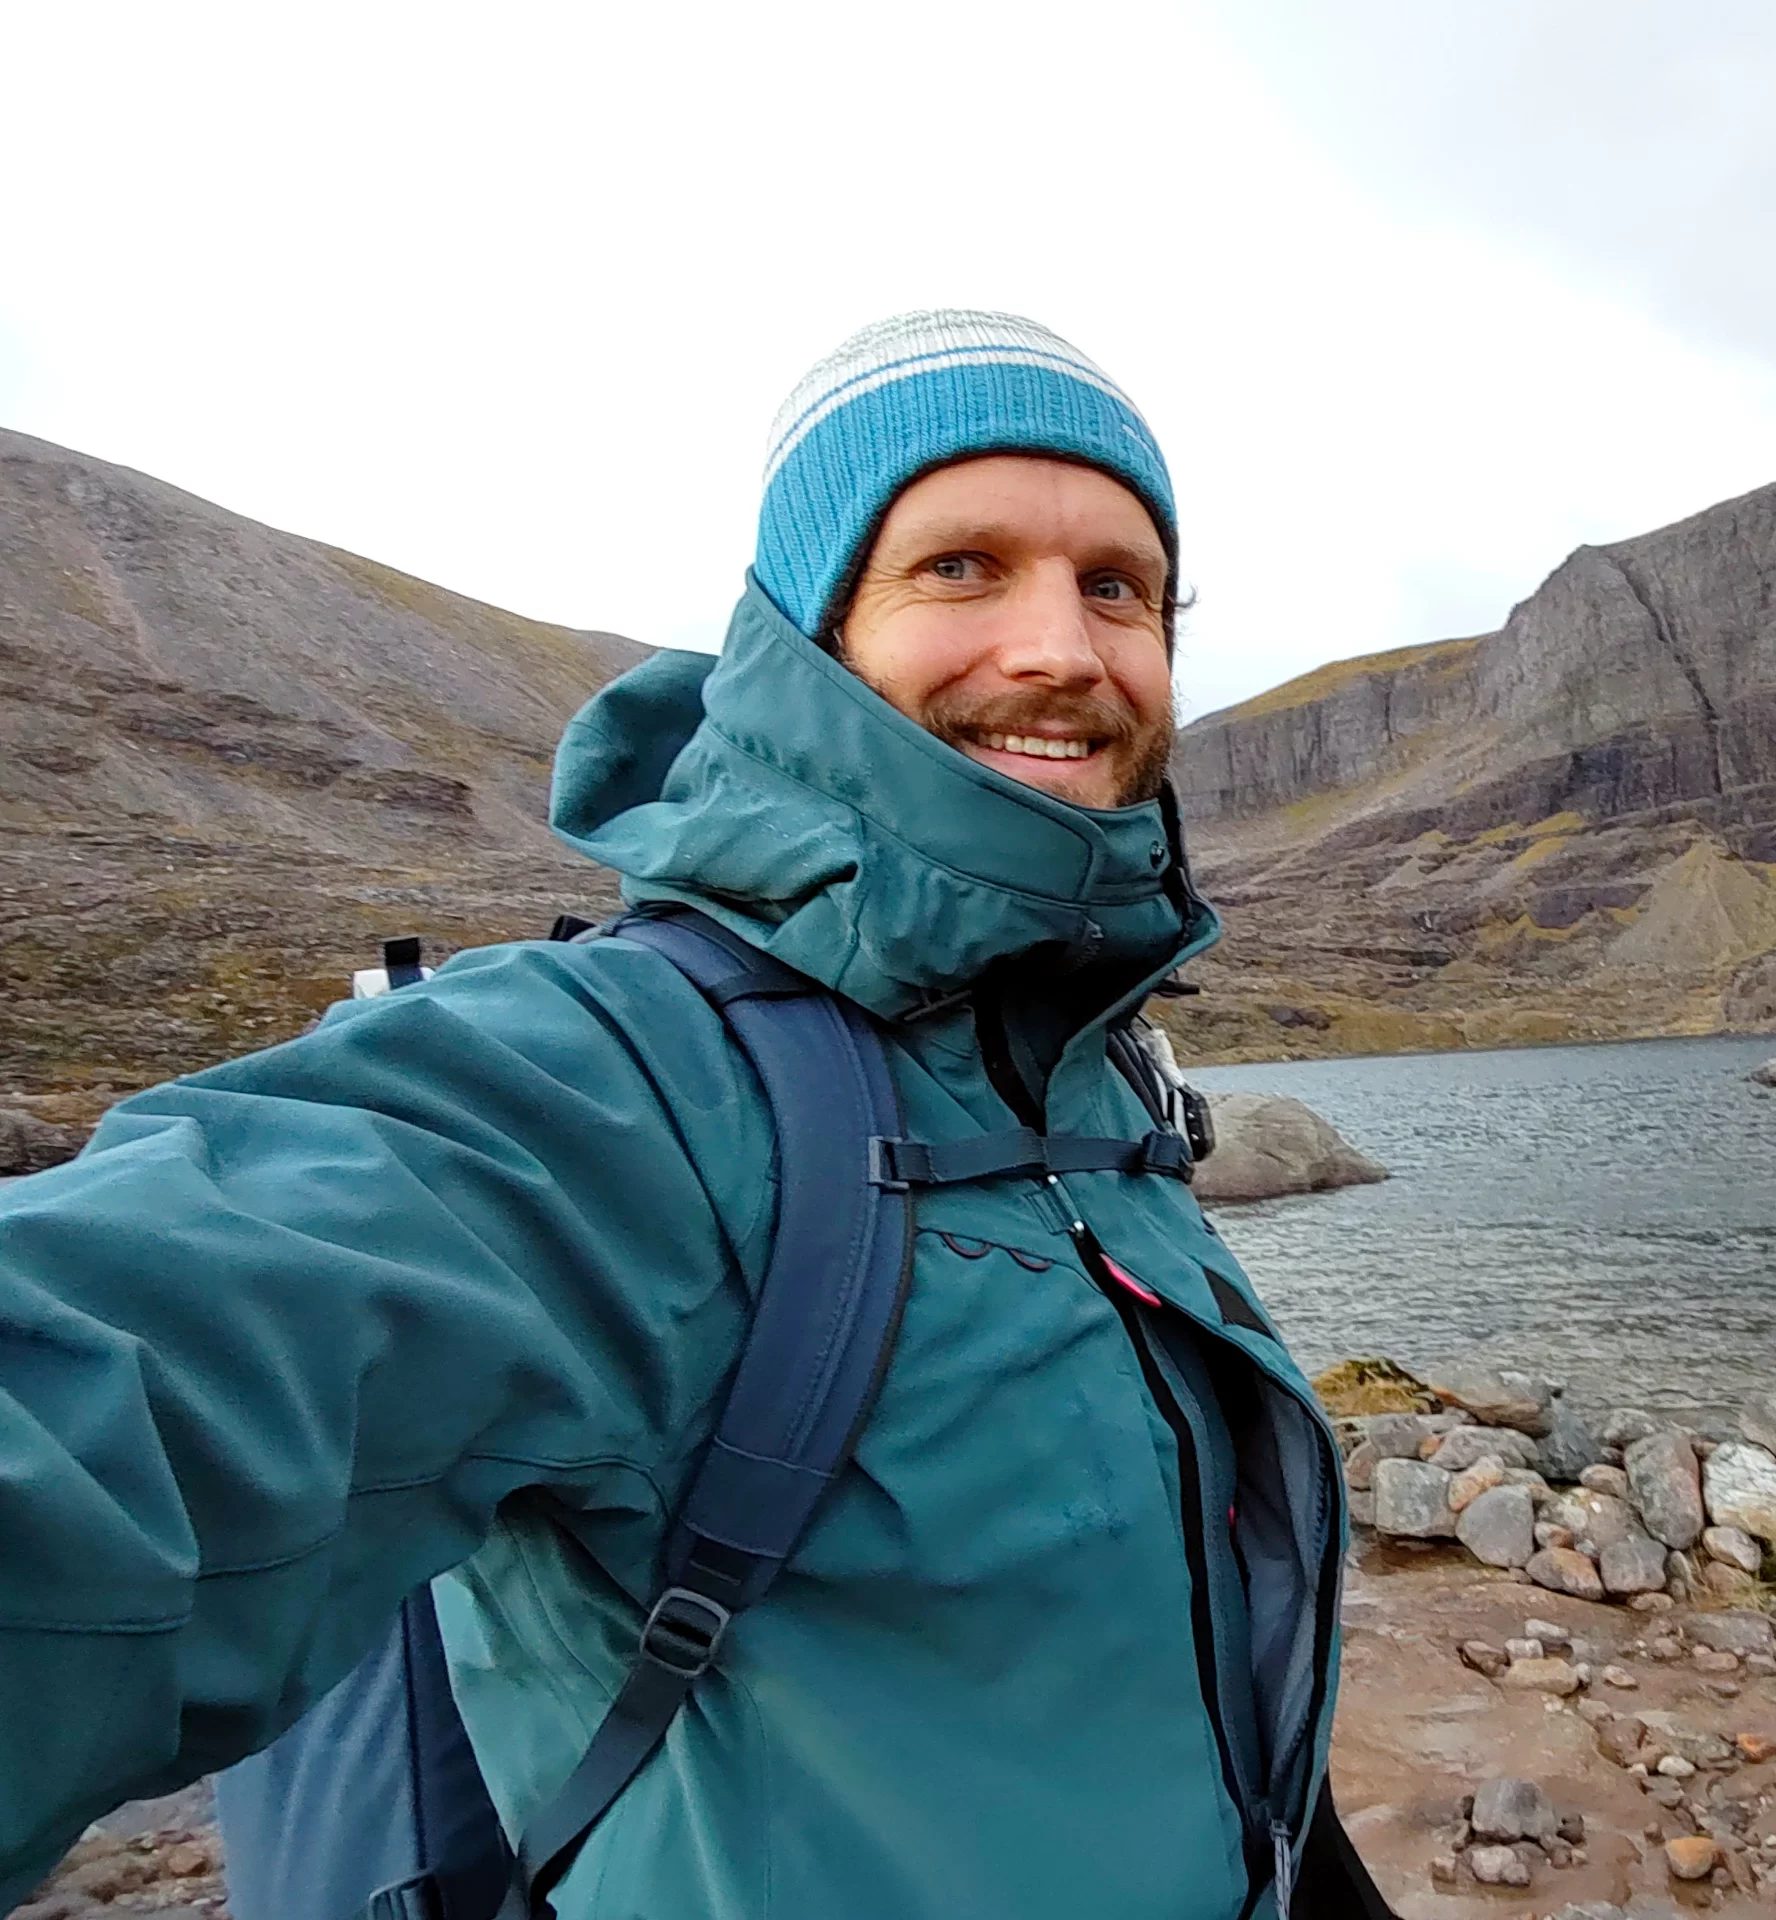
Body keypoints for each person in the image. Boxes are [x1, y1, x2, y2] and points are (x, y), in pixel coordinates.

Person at [0, 310, 1385, 1918]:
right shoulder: (616, 1076)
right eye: (958, 567)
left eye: (1116, 586)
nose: (1062, 650)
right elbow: (117, 1397)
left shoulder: (1095, 1076)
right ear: (809, 631)